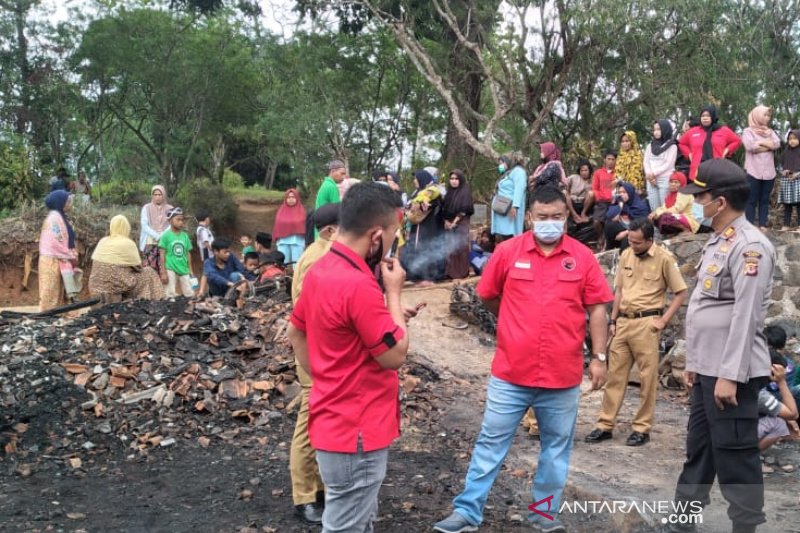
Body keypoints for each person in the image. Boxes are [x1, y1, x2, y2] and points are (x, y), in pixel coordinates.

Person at [433, 186, 613, 533]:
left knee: (555, 451)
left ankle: (543, 516)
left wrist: (600, 357)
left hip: (562, 377)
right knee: (490, 443)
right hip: (511, 373)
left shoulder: (582, 257)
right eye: (542, 217)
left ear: (566, 217)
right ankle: (467, 512)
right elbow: (487, 295)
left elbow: (597, 308)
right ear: (529, 217)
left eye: (557, 217)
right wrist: (514, 320)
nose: (549, 223)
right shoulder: (507, 252)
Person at [287, 182, 413, 533]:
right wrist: (393, 293)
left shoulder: (322, 269)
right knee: (345, 527)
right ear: (376, 235)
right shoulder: (358, 283)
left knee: (355, 520)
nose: (392, 242)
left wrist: (323, 379)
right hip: (357, 432)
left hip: (333, 422)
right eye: (393, 234)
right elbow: (395, 355)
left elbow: (296, 331)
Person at [662, 159, 775, 533]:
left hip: (733, 374)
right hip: (708, 369)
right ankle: (683, 522)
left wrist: (728, 375)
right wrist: (696, 362)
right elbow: (706, 309)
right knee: (701, 450)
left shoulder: (750, 246)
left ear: (721, 201)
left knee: (736, 456)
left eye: (702, 196)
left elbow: (745, 317)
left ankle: (745, 528)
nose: (697, 203)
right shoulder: (718, 240)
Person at [586, 217, 687, 447]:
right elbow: (619, 290)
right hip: (623, 322)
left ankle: (642, 427)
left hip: (647, 323)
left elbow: (680, 292)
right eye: (630, 240)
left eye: (638, 242)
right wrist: (612, 320)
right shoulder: (626, 255)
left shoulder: (664, 258)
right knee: (615, 376)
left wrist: (663, 320)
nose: (633, 245)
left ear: (650, 240)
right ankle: (605, 424)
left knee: (646, 378)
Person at [288, 202, 340, 525]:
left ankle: (318, 488)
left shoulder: (321, 253)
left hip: (321, 353)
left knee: (320, 422)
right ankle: (304, 495)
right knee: (309, 426)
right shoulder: (318, 258)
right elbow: (310, 315)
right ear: (332, 231)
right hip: (314, 354)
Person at [89, 215, 164, 302]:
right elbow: (139, 268)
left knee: (123, 276)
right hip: (114, 288)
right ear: (126, 228)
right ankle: (150, 301)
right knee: (148, 272)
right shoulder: (127, 243)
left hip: (94, 287)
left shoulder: (103, 241)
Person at [38, 190, 78, 311]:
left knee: (59, 292)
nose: (70, 203)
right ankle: (47, 318)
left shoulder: (59, 217)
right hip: (51, 260)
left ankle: (58, 317)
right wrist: (71, 254)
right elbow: (56, 243)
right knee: (50, 293)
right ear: (60, 202)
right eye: (68, 201)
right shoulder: (54, 219)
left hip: (56, 259)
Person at [678, 104, 741, 181]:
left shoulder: (723, 130)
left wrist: (726, 151)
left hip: (717, 170)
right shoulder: (693, 131)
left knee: (715, 192)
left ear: (713, 116)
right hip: (697, 170)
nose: (705, 118)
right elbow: (681, 143)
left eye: (708, 115)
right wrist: (689, 154)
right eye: (703, 116)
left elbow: (737, 141)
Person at [743, 105, 781, 231]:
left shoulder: (770, 132)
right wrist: (768, 146)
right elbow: (750, 146)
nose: (767, 118)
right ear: (757, 115)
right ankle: (749, 225)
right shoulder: (748, 131)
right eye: (765, 115)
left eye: (769, 115)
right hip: (753, 171)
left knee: (764, 200)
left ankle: (762, 224)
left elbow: (777, 144)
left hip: (769, 172)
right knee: (751, 200)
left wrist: (760, 143)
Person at [403, 169, 445, 285]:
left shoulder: (432, 194)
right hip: (417, 227)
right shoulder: (417, 193)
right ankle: (417, 275)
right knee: (416, 249)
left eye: (416, 179)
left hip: (428, 227)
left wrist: (421, 206)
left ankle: (428, 276)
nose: (414, 181)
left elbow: (432, 206)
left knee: (426, 249)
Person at [757, 357, 798, 452]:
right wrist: (781, 381)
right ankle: (747, 457)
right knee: (780, 424)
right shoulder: (759, 394)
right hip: (732, 434)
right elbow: (793, 413)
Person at [443, 169, 475, 280]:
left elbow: (464, 209)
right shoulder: (449, 192)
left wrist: (454, 222)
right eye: (451, 178)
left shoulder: (465, 191)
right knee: (450, 247)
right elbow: (444, 209)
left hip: (461, 222)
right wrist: (446, 221)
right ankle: (450, 272)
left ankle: (461, 273)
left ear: (460, 179)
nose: (454, 181)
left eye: (456, 179)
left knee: (460, 247)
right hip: (449, 222)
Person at [158, 207, 195, 298]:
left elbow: (188, 253)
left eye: (182, 220)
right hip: (170, 268)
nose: (181, 222)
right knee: (170, 294)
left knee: (190, 294)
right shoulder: (165, 236)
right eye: (178, 219)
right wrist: (163, 272)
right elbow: (162, 254)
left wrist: (190, 270)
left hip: (183, 268)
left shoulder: (185, 236)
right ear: (170, 220)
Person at [490, 153, 527, 242]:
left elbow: (519, 189)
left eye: (501, 163)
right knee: (503, 236)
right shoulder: (507, 174)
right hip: (502, 211)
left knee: (510, 236)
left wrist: (515, 206)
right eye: (499, 164)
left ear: (508, 161)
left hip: (510, 211)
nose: (500, 166)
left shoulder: (518, 171)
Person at [604, 182, 650, 251]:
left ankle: (622, 256)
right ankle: (609, 248)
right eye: (620, 192)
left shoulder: (640, 206)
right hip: (626, 227)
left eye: (624, 192)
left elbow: (641, 225)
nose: (621, 194)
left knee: (627, 240)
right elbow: (609, 216)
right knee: (609, 224)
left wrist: (625, 233)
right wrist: (620, 205)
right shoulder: (620, 202)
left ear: (630, 192)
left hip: (637, 231)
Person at [644, 120, 678, 211]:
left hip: (665, 179)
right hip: (651, 180)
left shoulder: (672, 146)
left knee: (665, 208)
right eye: (654, 129)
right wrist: (649, 175)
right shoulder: (650, 146)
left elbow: (668, 163)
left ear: (665, 129)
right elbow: (646, 162)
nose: (656, 132)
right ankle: (655, 225)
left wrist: (653, 173)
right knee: (654, 208)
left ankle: (665, 225)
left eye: (659, 129)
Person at [139, 185, 173, 276]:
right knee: (150, 271)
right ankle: (150, 290)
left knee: (165, 269)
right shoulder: (146, 208)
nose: (157, 197)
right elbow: (144, 225)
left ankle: (164, 290)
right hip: (150, 242)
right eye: (155, 194)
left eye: (160, 194)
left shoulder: (170, 208)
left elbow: (171, 224)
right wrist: (156, 236)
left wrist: (162, 236)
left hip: (165, 242)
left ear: (164, 195)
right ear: (152, 195)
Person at [273, 189, 307, 266]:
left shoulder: (301, 211)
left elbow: (303, 226)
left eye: (293, 197)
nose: (291, 199)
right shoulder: (281, 210)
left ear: (297, 198)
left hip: (297, 241)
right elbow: (277, 226)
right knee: (282, 264)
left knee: (297, 264)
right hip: (283, 242)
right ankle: (283, 278)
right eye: (288, 197)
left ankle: (296, 278)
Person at [591, 150, 618, 249]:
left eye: (613, 159)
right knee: (596, 222)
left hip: (614, 202)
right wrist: (599, 198)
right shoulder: (598, 173)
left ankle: (608, 240)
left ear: (616, 161)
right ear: (605, 160)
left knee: (610, 222)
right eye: (609, 159)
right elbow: (594, 188)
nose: (610, 161)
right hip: (602, 201)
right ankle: (600, 236)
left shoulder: (618, 173)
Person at [779, 129, 800, 230]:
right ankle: (786, 225)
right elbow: (780, 165)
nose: (792, 141)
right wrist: (783, 171)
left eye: (795, 138)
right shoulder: (785, 152)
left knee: (799, 205)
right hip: (787, 181)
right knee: (787, 205)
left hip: (798, 181)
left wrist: (798, 174)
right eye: (790, 139)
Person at [566, 160, 594, 224]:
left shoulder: (593, 180)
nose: (584, 172)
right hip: (572, 202)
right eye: (582, 171)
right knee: (564, 192)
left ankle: (583, 213)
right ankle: (574, 215)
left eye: (586, 170)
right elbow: (563, 183)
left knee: (591, 193)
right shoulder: (573, 177)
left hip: (584, 203)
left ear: (589, 171)